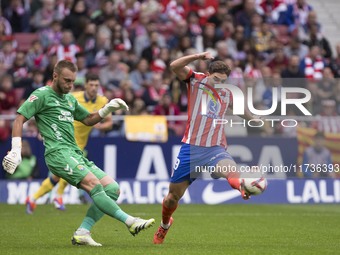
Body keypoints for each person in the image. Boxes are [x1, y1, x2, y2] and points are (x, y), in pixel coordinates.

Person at [2, 60, 155, 247]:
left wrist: (108, 108)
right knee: (94, 184)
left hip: (75, 152)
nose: (70, 85)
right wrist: (16, 149)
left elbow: (89, 120)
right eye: (66, 80)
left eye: (73, 81)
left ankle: (82, 233)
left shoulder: (70, 99)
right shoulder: (42, 95)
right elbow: (19, 120)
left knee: (113, 189)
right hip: (57, 153)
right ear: (55, 76)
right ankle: (130, 221)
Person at [153, 52, 256, 244]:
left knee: (230, 171)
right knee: (171, 198)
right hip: (191, 149)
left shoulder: (227, 92)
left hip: (215, 148)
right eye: (216, 79)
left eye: (223, 80)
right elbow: (174, 65)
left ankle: (242, 187)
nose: (219, 83)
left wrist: (256, 119)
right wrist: (199, 55)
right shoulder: (195, 80)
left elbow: (239, 109)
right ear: (208, 74)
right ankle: (165, 225)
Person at [25, 72, 113, 212]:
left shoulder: (102, 101)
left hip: (81, 143)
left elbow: (109, 123)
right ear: (85, 85)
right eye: (91, 84)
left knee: (60, 175)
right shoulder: (74, 97)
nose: (94, 88)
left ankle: (34, 198)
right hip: (65, 141)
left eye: (96, 85)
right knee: (66, 173)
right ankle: (56, 197)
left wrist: (99, 125)